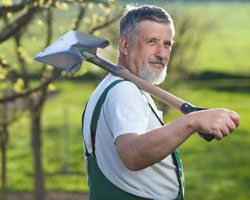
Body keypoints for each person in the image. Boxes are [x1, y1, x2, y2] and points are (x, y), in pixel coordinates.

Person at [82, 5, 240, 200]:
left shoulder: (110, 87)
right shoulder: (125, 91)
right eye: (152, 42)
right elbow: (132, 154)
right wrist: (191, 121)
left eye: (167, 44)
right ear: (125, 45)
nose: (161, 53)